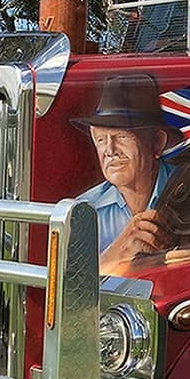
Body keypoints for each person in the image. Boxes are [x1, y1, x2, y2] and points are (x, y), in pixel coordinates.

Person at [75, 74, 175, 266]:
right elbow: (72, 291)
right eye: (101, 140)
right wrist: (115, 257)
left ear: (156, 143)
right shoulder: (85, 212)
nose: (110, 151)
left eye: (121, 136)